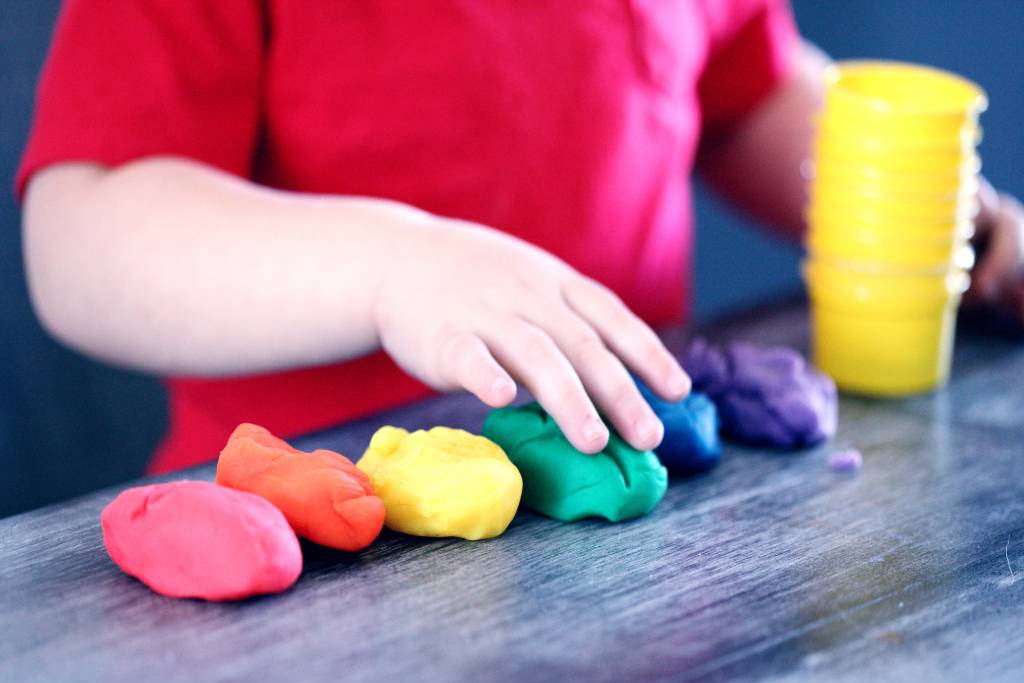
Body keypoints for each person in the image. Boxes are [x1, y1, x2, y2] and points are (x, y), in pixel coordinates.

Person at [18, 1, 1024, 473]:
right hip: (309, 532)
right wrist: (392, 267)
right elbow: (85, 232)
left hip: (629, 497)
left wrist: (940, 216)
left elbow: (744, 91)